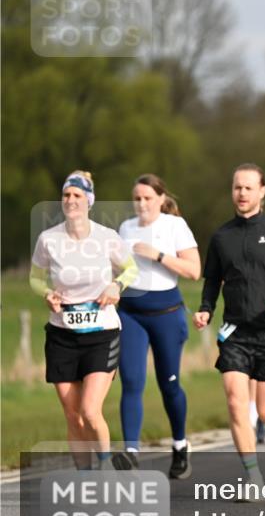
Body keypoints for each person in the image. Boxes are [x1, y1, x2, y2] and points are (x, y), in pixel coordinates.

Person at [193, 163, 265, 493]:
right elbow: (212, 279)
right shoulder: (221, 237)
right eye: (236, 187)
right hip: (235, 333)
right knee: (235, 401)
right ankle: (252, 478)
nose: (241, 193)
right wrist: (205, 309)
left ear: (262, 191)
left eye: (247, 187)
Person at [30, 171, 138, 470]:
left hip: (101, 333)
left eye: (77, 195)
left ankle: (105, 470)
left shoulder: (106, 237)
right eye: (66, 195)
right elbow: (35, 279)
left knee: (90, 411)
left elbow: (130, 269)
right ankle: (85, 477)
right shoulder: (48, 239)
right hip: (62, 334)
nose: (71, 200)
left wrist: (116, 286)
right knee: (72, 414)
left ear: (89, 201)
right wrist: (47, 293)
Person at [114, 174, 201, 478]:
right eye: (137, 198)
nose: (141, 204)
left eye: (148, 198)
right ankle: (131, 453)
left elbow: (194, 270)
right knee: (132, 381)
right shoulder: (125, 228)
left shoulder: (174, 226)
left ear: (161, 199)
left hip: (166, 313)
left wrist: (159, 256)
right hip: (130, 314)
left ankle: (179, 445)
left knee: (169, 384)